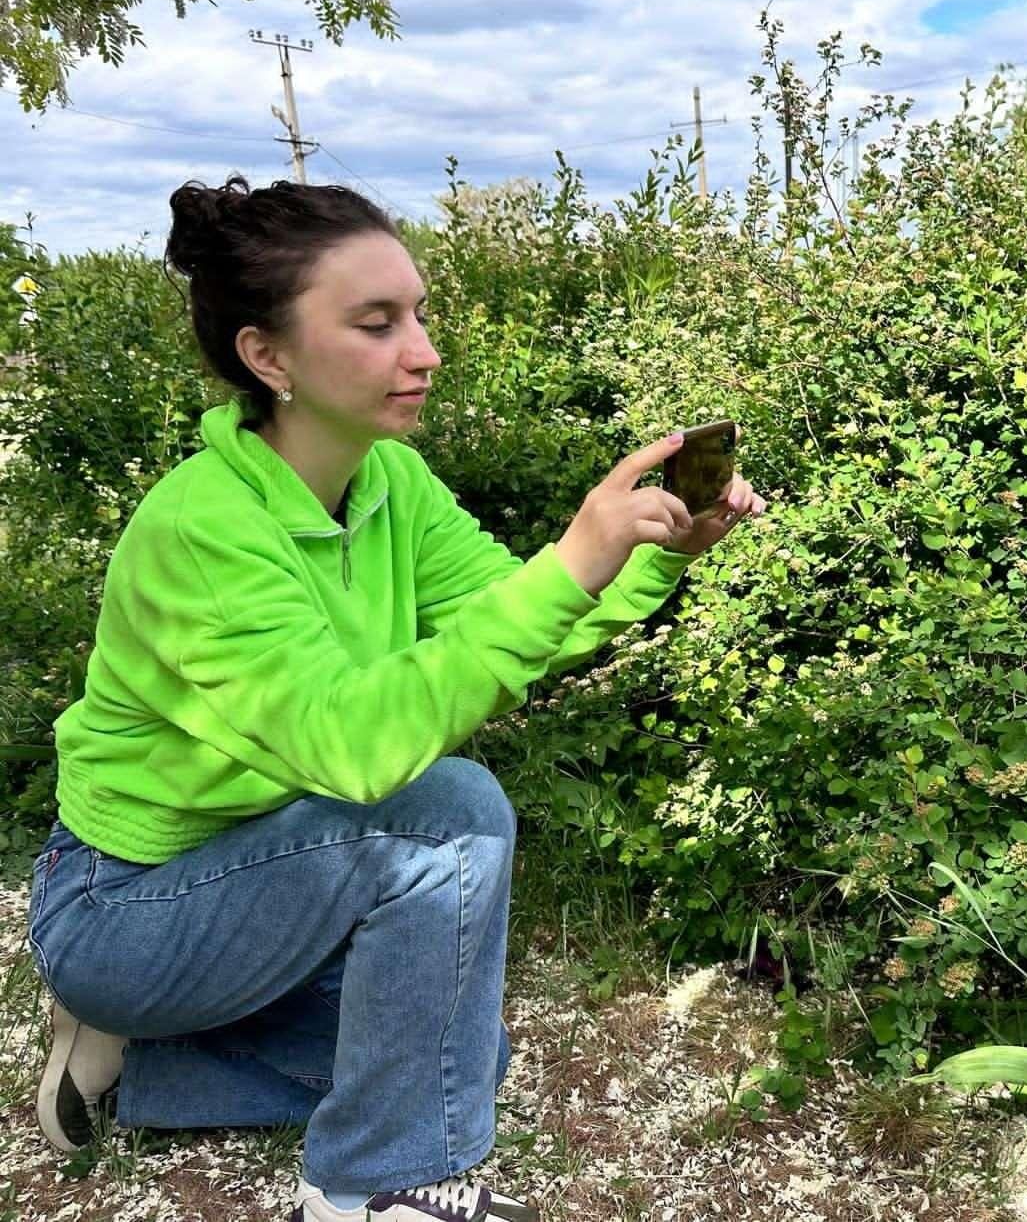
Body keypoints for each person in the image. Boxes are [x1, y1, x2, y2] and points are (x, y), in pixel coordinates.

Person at [22, 175, 765, 1222]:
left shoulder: (388, 481)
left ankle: (146, 1068)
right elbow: (358, 750)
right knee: (452, 815)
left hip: (275, 883)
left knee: (466, 1055)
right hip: (128, 906)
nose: (423, 350)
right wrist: (568, 563)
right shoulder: (201, 530)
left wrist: (644, 558)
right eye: (377, 323)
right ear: (266, 356)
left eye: (418, 314)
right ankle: (378, 1187)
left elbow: (521, 618)